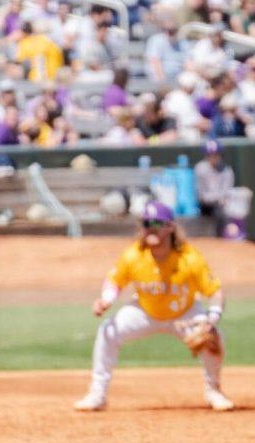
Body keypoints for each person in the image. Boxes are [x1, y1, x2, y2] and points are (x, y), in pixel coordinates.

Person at [74, 201, 235, 413]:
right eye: (146, 223)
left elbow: (214, 291)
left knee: (214, 337)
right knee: (107, 331)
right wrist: (106, 299)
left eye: (157, 223)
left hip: (184, 313)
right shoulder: (134, 255)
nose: (150, 227)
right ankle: (97, 395)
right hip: (145, 312)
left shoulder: (189, 258)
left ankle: (214, 391)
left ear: (170, 227)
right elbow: (115, 281)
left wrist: (211, 318)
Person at [194, 139, 235, 233]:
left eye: (216, 155)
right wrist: (217, 198)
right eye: (210, 155)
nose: (213, 157)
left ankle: (230, 233)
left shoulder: (227, 170)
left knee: (229, 208)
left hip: (223, 205)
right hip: (204, 206)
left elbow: (227, 192)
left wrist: (220, 198)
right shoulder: (200, 168)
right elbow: (201, 196)